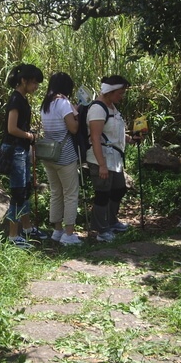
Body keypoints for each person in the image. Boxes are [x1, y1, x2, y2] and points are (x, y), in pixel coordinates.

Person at [87, 75, 140, 242]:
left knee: (119, 189)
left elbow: (111, 131)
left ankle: (111, 221)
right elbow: (95, 137)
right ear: (109, 92)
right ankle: (101, 230)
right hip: (100, 158)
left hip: (114, 159)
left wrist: (130, 139)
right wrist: (101, 164)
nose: (121, 96)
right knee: (102, 193)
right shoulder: (97, 109)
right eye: (120, 93)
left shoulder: (112, 107)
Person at [1, 64, 48, 248]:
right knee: (18, 192)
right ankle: (13, 235)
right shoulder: (15, 100)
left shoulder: (22, 98)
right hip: (16, 150)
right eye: (34, 82)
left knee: (26, 188)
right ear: (23, 81)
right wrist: (30, 135)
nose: (36, 86)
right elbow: (11, 129)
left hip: (22, 149)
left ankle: (27, 228)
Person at [40, 72, 82, 246]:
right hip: (64, 155)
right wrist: (76, 114)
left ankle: (57, 231)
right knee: (71, 194)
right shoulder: (63, 103)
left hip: (48, 154)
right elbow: (73, 128)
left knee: (56, 193)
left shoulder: (45, 104)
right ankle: (69, 234)